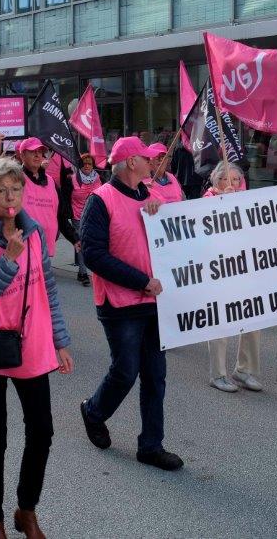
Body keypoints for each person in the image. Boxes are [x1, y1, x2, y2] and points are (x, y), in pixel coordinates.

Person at [0, 157, 73, 539]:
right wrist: (8, 259)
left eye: (16, 189)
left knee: (42, 431)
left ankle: (27, 510)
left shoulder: (33, 231)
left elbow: (48, 289)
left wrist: (60, 340)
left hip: (31, 344)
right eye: (2, 190)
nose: (10, 197)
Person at [79, 136, 183, 472]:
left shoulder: (151, 196)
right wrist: (141, 281)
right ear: (131, 162)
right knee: (125, 371)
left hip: (153, 301)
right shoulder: (101, 200)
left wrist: (160, 212)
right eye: (146, 157)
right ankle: (94, 411)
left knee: (155, 375)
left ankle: (151, 446)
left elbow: (175, 234)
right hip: (120, 303)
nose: (152, 162)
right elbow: (93, 255)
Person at [202, 162, 264, 393]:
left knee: (253, 319)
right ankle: (218, 374)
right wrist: (223, 203)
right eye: (226, 179)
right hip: (219, 270)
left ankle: (244, 370)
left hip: (244, 267)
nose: (232, 183)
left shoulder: (245, 200)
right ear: (216, 181)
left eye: (236, 179)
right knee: (221, 322)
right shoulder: (206, 200)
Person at [17, 138, 78, 260]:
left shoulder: (50, 182)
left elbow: (61, 215)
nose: (37, 155)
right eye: (32, 151)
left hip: (45, 248)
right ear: (22, 155)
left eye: (40, 152)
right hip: (21, 247)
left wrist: (75, 238)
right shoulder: (15, 179)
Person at [69, 154, 103, 287]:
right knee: (81, 243)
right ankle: (83, 273)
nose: (87, 166)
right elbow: (66, 196)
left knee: (93, 243)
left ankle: (86, 271)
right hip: (77, 216)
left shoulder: (98, 178)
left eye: (89, 163)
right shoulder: (73, 179)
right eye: (84, 164)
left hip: (93, 216)